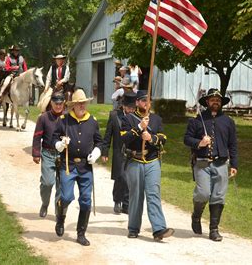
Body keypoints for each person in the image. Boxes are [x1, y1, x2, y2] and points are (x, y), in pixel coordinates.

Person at [183, 88, 238, 242]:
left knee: (218, 196)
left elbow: (233, 145)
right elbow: (187, 139)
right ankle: (196, 216)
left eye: (218, 100)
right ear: (207, 102)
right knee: (203, 193)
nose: (216, 102)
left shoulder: (228, 122)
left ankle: (214, 229)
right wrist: (199, 143)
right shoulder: (197, 120)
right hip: (202, 164)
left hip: (221, 164)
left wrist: (234, 164)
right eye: (213, 99)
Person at [120, 90, 174, 241]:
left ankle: (158, 229)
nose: (146, 103)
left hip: (152, 161)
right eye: (143, 100)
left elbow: (163, 137)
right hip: (135, 161)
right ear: (137, 102)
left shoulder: (156, 119)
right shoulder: (129, 119)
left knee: (153, 194)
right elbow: (124, 138)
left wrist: (152, 138)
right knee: (136, 196)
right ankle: (133, 228)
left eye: (148, 100)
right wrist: (138, 127)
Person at [53, 88, 103, 246]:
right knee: (66, 197)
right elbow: (53, 138)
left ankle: (81, 233)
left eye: (84, 103)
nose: (82, 106)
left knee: (86, 201)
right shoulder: (64, 120)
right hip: (69, 165)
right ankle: (60, 219)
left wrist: (96, 153)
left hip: (85, 167)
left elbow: (99, 142)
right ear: (73, 105)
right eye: (79, 104)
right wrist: (60, 144)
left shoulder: (92, 121)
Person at [102, 91, 137, 214]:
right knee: (121, 177)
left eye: (133, 108)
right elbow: (107, 135)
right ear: (123, 105)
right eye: (129, 108)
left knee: (129, 178)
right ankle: (117, 200)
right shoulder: (114, 115)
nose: (131, 110)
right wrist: (105, 152)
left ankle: (126, 204)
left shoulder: (137, 117)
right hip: (119, 151)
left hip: (133, 152)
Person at [32, 92, 66, 218]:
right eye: (56, 103)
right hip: (48, 153)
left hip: (63, 155)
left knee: (62, 184)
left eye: (60, 103)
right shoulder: (44, 118)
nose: (58, 106)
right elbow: (37, 136)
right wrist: (36, 153)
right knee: (47, 183)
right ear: (51, 103)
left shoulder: (67, 117)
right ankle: (45, 203)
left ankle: (59, 210)